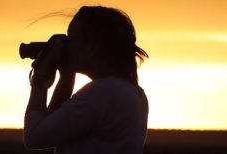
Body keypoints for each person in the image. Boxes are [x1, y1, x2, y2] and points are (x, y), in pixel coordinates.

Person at [23, 6, 149, 154]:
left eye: (71, 38)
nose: (65, 45)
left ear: (92, 47)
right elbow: (51, 130)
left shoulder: (103, 92)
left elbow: (35, 137)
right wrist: (66, 78)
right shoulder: (131, 92)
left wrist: (39, 80)